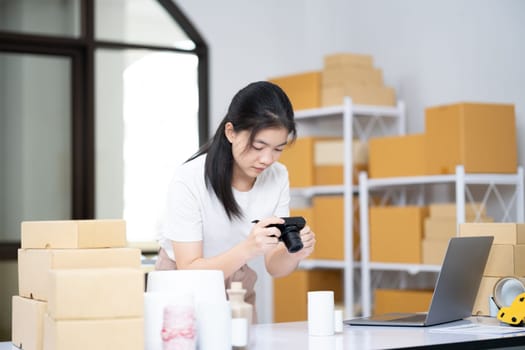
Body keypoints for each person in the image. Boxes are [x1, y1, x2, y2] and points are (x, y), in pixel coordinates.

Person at [156, 81, 316, 321]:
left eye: (278, 149)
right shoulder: (189, 178)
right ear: (231, 132)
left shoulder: (278, 176)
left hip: (237, 286)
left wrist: (294, 253)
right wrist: (248, 248)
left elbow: (274, 266)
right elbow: (188, 269)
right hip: (182, 287)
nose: (267, 159)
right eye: (258, 146)